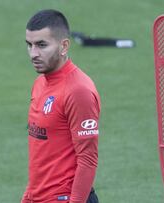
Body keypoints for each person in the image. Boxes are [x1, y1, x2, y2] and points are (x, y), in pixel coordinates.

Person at [21, 9, 100, 203]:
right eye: (29, 45)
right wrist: (28, 197)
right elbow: (42, 152)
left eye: (41, 45)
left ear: (64, 46)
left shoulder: (78, 91)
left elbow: (87, 159)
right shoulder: (40, 84)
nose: (33, 54)